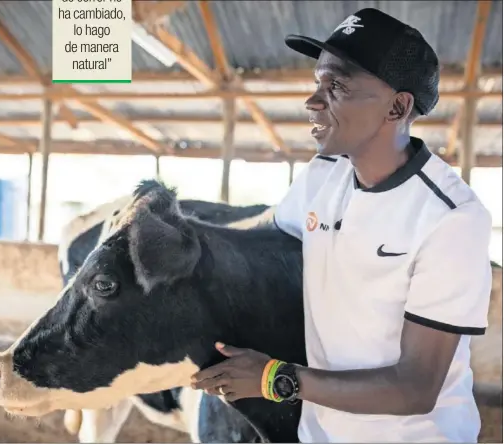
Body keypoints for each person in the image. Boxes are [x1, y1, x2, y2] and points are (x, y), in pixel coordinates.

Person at [190, 8, 493, 443]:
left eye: (337, 86)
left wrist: (275, 377)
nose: (313, 101)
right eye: (318, 83)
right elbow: (264, 240)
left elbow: (416, 387)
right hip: (322, 433)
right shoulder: (323, 175)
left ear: (398, 106)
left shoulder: (451, 219)